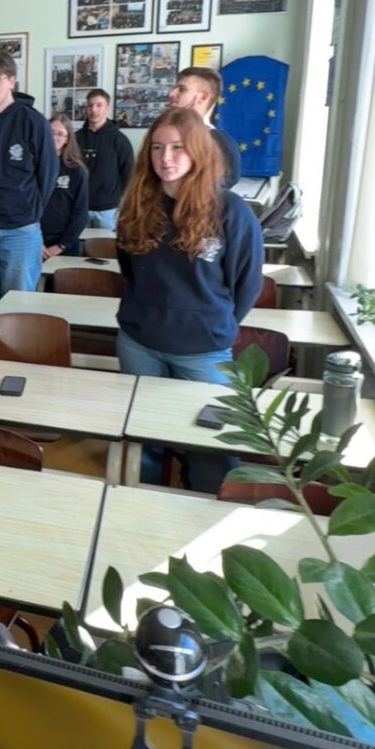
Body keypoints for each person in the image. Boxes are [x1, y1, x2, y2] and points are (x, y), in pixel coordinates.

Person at [116, 107, 262, 492]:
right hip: (139, 344)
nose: (165, 157)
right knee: (142, 437)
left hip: (204, 351)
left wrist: (209, 322)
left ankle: (206, 507)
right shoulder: (136, 206)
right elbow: (129, 272)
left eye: (178, 147)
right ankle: (141, 502)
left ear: (198, 150)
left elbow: (246, 284)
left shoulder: (230, 211)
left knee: (211, 446)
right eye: (157, 147)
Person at [0, 51, 56, 356]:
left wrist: (29, 213)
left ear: (11, 81)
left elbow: (47, 175)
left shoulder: (33, 122)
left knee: (18, 308)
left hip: (21, 232)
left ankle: (15, 363)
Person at [168, 67, 242, 187]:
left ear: (203, 97)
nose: (171, 94)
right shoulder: (165, 135)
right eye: (173, 89)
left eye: (182, 89)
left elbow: (214, 193)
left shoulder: (219, 144)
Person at [75, 88, 134, 229]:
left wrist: (117, 198)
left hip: (108, 210)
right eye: (90, 105)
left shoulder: (119, 140)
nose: (94, 110)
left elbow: (129, 173)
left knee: (107, 243)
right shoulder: (76, 138)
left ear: (107, 108)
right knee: (79, 243)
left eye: (99, 105)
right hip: (80, 207)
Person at [40, 114, 89, 260]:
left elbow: (81, 213)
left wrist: (61, 245)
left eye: (60, 134)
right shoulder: (34, 166)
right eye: (51, 132)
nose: (54, 137)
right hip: (34, 240)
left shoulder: (76, 171)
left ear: (67, 139)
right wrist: (36, 241)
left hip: (65, 244)